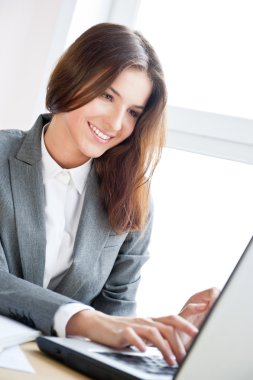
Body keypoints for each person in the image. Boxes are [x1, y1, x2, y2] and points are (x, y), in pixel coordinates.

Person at [0, 22, 218, 366]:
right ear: (72, 78)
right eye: (107, 96)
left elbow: (116, 312)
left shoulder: (130, 194)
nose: (116, 123)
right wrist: (83, 320)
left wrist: (163, 336)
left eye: (133, 112)